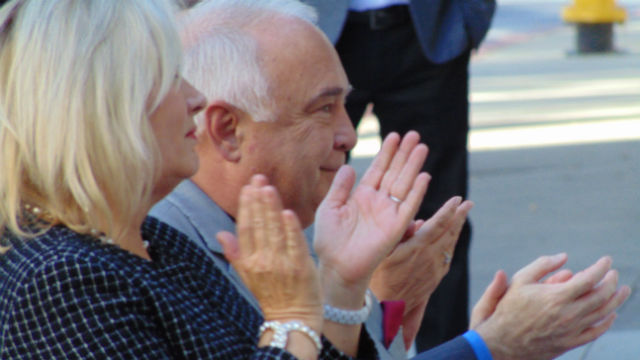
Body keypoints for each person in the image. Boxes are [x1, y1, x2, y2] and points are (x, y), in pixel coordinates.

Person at [154, 1, 631, 359]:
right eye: (323, 109)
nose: (347, 135)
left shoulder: (288, 222)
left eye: (345, 105)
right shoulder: (162, 250)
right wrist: (492, 345)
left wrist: (386, 302)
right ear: (227, 130)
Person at [0, 0, 405, 358]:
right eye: (173, 76)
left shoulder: (155, 242)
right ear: (105, 104)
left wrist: (343, 286)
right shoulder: (60, 282)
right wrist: (291, 319)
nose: (195, 97)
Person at [300, 0, 496, 351]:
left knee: (441, 217)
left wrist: (468, 21)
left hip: (425, 37)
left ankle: (446, 352)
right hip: (321, 35)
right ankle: (302, 344)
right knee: (295, 199)